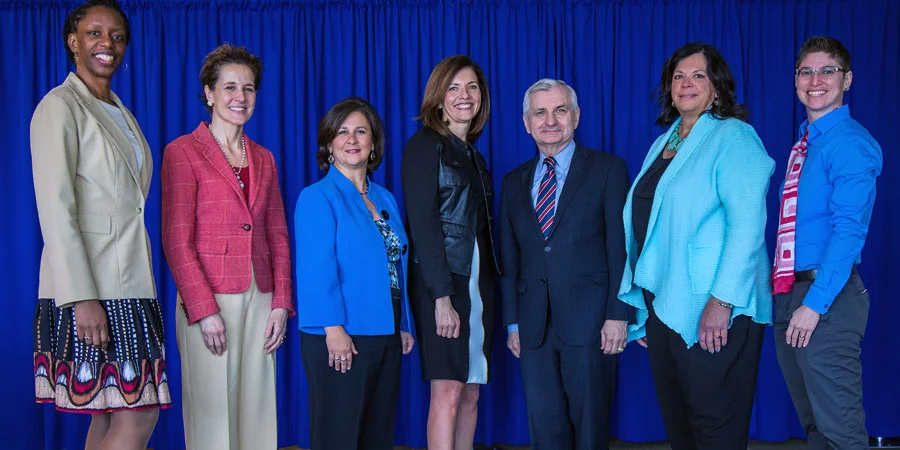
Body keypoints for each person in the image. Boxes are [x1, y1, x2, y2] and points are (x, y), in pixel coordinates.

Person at [617, 43, 774, 449]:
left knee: (714, 426)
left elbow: (747, 227)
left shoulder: (734, 137)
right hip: (665, 306)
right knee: (680, 426)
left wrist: (721, 302)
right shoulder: (665, 143)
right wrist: (651, 308)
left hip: (714, 307)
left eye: (698, 76)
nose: (686, 84)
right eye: (678, 77)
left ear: (717, 88)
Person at [30, 1, 170, 449]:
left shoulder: (118, 111)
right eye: (94, 33)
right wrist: (82, 296)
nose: (106, 44)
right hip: (93, 289)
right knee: (138, 409)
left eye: (116, 36)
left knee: (112, 410)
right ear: (73, 42)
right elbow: (56, 207)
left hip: (130, 281)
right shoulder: (59, 106)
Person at [161, 44, 294, 450]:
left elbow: (277, 234)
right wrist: (203, 310)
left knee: (257, 408)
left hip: (261, 294)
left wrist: (281, 303)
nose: (240, 97)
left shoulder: (265, 158)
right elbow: (176, 240)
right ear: (209, 93)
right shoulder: (182, 152)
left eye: (249, 88)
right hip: (210, 298)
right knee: (212, 413)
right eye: (230, 87)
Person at [499, 79, 633, 450]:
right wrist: (513, 323)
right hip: (533, 327)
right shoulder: (513, 183)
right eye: (540, 113)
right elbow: (509, 260)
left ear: (576, 116)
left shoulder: (608, 170)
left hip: (591, 323)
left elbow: (620, 248)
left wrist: (618, 315)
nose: (550, 120)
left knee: (590, 431)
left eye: (560, 110)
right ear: (527, 123)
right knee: (545, 431)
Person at [773, 36, 882, 450]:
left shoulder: (849, 144)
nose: (815, 80)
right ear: (796, 80)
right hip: (791, 294)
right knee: (816, 427)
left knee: (841, 434)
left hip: (827, 300)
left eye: (827, 71)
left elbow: (849, 232)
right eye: (806, 71)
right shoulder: (807, 142)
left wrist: (814, 304)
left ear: (847, 79)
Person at [295, 97, 416, 450]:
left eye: (360, 131)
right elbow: (317, 269)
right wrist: (333, 330)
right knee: (339, 437)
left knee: (377, 435)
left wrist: (404, 324)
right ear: (328, 144)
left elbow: (396, 263)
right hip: (339, 335)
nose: (352, 139)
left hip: (386, 331)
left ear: (373, 142)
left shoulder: (385, 198)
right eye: (342, 131)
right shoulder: (317, 197)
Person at [401, 54, 500, 450]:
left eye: (472, 87)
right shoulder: (425, 146)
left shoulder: (474, 154)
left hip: (478, 287)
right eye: (454, 87)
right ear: (439, 97)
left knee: (471, 390)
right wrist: (441, 297)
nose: (464, 95)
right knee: (448, 391)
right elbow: (423, 226)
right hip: (444, 285)